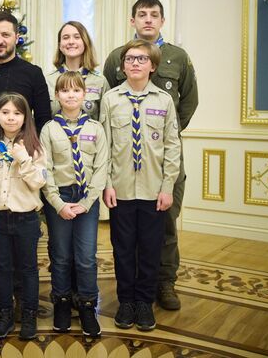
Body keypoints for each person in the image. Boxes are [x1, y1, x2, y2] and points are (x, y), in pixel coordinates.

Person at [103, 0, 198, 310]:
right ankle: (131, 295)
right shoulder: (118, 56)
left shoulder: (178, 57)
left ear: (161, 20)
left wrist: (161, 137)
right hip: (125, 166)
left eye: (153, 15)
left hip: (164, 161)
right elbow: (108, 100)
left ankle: (164, 283)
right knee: (126, 235)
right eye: (141, 15)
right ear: (132, 21)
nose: (147, 19)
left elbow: (188, 102)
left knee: (166, 224)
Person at [0, 11, 52, 319]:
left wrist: (29, 155)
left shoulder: (32, 72)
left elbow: (43, 119)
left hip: (23, 160)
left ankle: (22, 297)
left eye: (5, 34)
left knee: (21, 237)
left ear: (17, 36)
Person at [100, 38, 181, 331]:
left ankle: (145, 302)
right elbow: (104, 147)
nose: (135, 63)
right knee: (122, 248)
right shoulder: (111, 100)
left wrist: (168, 187)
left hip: (153, 190)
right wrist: (106, 184)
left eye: (142, 59)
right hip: (120, 189)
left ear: (153, 66)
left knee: (149, 248)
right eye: (130, 59)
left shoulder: (164, 100)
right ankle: (126, 301)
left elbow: (172, 147)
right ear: (122, 66)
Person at [40, 71, 108, 337]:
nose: (70, 95)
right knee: (60, 255)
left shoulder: (95, 129)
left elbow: (101, 168)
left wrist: (88, 201)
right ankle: (62, 302)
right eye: (65, 91)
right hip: (60, 199)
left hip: (86, 200)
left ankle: (88, 305)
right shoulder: (49, 129)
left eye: (76, 90)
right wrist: (58, 204)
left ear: (85, 94)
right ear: (57, 96)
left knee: (86, 257)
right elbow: (45, 169)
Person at [0, 93, 46, 340]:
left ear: (25, 117)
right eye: (5, 112)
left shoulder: (35, 147)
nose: (11, 118)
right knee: (2, 269)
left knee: (28, 269)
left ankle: (28, 314)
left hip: (26, 219)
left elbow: (39, 181)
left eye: (17, 113)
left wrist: (23, 159)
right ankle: (5, 315)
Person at [47, 21, 110, 120]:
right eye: (66, 37)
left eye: (77, 37)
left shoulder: (100, 81)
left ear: (85, 42)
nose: (71, 42)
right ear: (60, 45)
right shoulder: (47, 80)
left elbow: (105, 120)